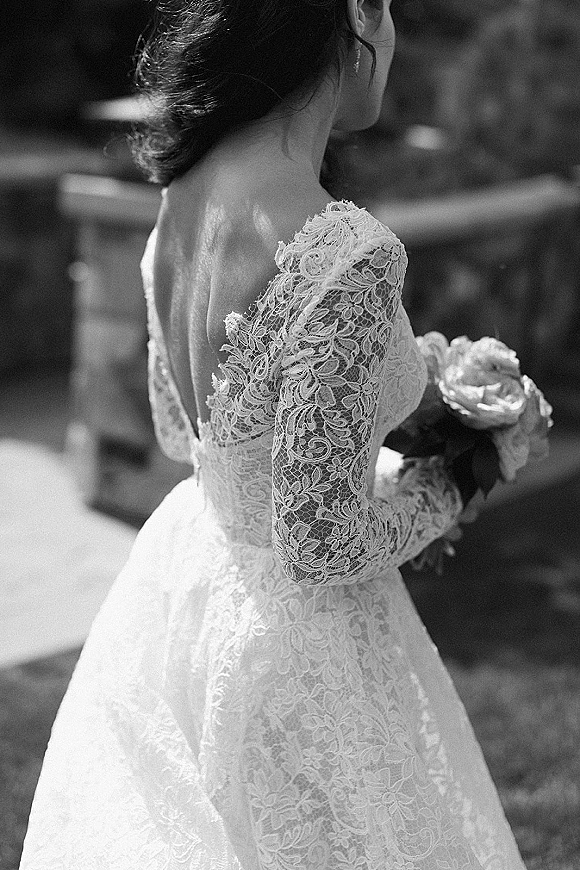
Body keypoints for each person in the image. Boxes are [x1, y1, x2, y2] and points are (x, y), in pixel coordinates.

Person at [20, 1, 528, 867]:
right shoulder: (348, 252)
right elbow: (319, 542)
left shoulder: (182, 195)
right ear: (351, 22)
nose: (397, 34)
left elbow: (184, 433)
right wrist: (463, 476)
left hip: (196, 578)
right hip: (297, 648)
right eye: (390, 8)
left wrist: (399, 426)